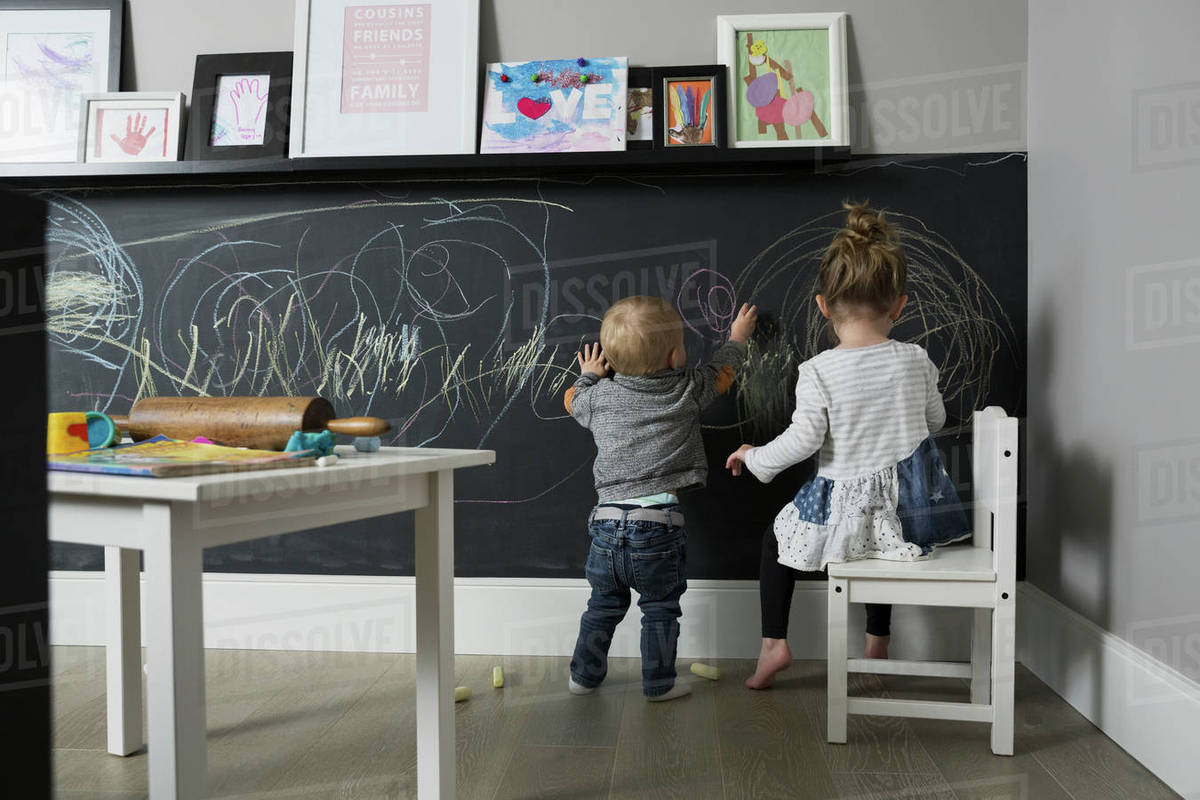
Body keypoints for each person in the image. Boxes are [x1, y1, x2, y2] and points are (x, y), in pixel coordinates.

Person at [726, 203, 969, 690]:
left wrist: (753, 456)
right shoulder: (917, 359)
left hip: (845, 508)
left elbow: (803, 440)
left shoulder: (819, 371)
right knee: (882, 541)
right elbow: (937, 420)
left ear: (822, 305)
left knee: (777, 539)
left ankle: (775, 644)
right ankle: (877, 640)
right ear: (899, 305)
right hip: (911, 513)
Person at [566, 296, 757, 700]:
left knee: (602, 605)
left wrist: (589, 376)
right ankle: (657, 684)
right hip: (657, 528)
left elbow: (571, 402)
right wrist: (737, 337)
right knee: (659, 609)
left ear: (613, 362)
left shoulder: (600, 396)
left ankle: (583, 677)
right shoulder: (687, 387)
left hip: (605, 524)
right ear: (674, 357)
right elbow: (723, 373)